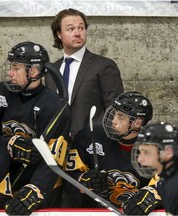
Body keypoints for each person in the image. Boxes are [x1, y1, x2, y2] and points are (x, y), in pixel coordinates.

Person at [0, 41, 70, 215]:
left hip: (40, 185)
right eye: (10, 66)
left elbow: (53, 155)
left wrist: (35, 190)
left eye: (16, 68)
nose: (10, 73)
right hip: (2, 183)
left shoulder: (55, 106)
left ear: (33, 71)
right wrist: (9, 142)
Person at [63, 91, 161, 215]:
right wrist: (83, 180)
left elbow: (168, 186)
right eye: (114, 114)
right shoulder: (90, 136)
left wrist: (151, 197)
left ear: (137, 123)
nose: (113, 120)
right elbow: (67, 179)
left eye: (120, 116)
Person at [45, 8, 124, 140]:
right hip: (57, 145)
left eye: (81, 28)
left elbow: (115, 110)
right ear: (59, 34)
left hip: (93, 144)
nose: (77, 33)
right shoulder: (51, 71)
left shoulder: (103, 65)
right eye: (71, 29)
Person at [131, 122, 178, 215]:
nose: (139, 159)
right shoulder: (170, 180)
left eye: (146, 152)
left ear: (168, 152)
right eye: (140, 151)